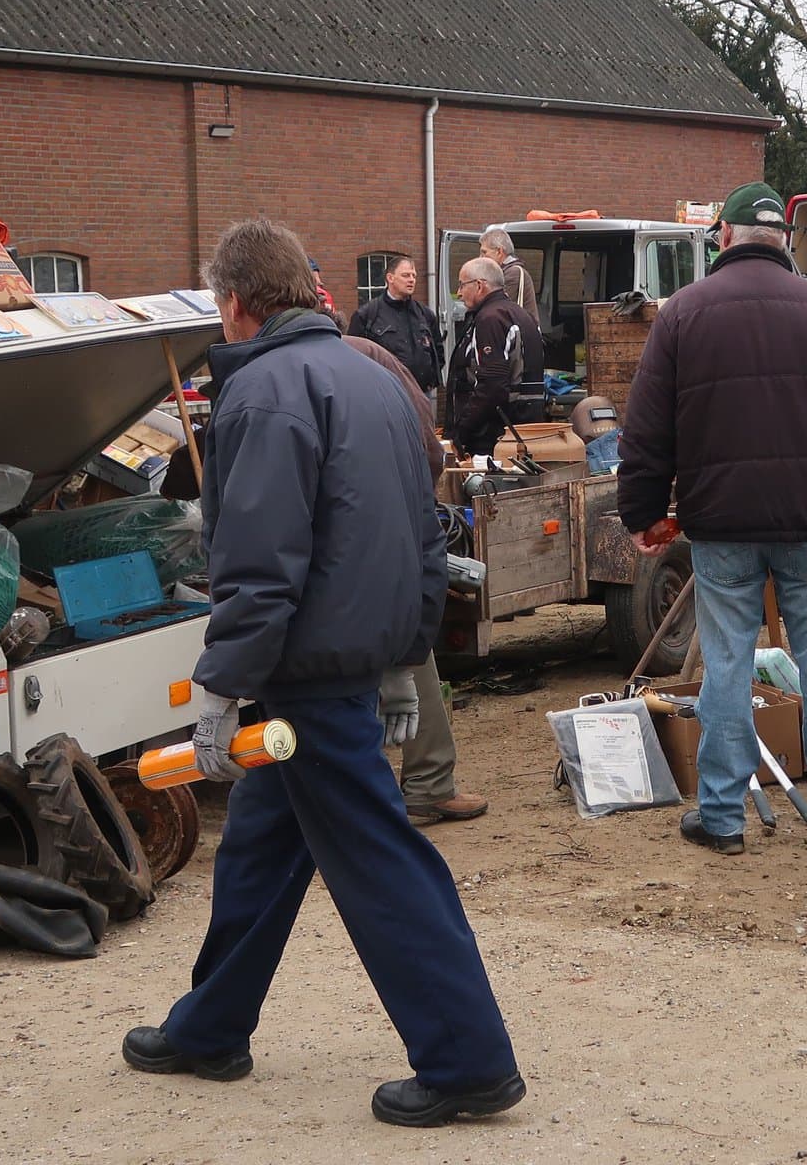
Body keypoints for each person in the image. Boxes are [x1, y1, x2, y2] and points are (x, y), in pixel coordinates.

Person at [123, 218, 522, 1129]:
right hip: (343, 661)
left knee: (381, 861)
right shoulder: (373, 376)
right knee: (260, 849)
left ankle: (467, 1062)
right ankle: (210, 1028)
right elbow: (421, 533)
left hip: (306, 672)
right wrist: (400, 659)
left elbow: (261, 565)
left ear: (234, 302)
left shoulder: (264, 392)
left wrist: (220, 687)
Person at [617, 181, 807, 854]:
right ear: (786, 242)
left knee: (729, 664)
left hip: (723, 523)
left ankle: (720, 816)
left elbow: (646, 429)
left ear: (726, 238)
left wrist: (644, 514)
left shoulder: (682, 313)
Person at [342, 332, 487, 823]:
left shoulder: (283, 369)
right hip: (377, 533)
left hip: (356, 539)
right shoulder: (365, 357)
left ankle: (415, 784)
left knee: (396, 651)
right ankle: (424, 781)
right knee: (404, 647)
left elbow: (425, 448)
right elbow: (428, 449)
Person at [446, 258, 542, 456]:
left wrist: (461, 432)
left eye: (462, 284)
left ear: (479, 285)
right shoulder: (521, 314)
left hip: (493, 437)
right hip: (526, 429)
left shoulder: (490, 318)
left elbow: (492, 386)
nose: (459, 293)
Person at [347, 254, 443, 395]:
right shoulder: (367, 315)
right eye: (405, 275)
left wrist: (431, 380)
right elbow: (354, 359)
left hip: (421, 393)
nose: (411, 280)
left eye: (414, 276)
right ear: (390, 278)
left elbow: (438, 352)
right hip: (386, 394)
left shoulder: (425, 314)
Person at [478, 228, 540, 321]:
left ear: (499, 251)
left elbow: (495, 305)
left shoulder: (513, 274)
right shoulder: (507, 271)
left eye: (484, 252)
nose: (480, 258)